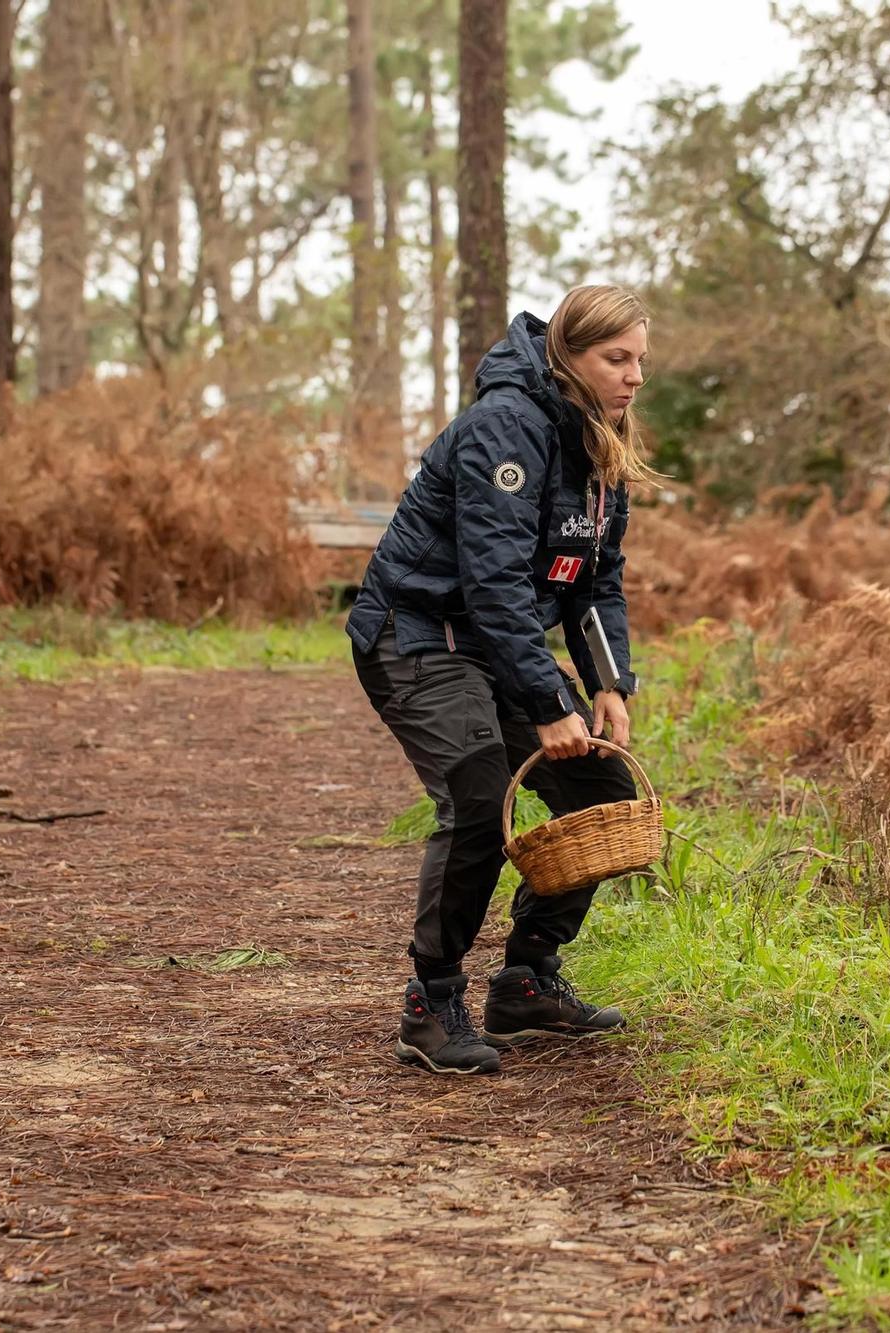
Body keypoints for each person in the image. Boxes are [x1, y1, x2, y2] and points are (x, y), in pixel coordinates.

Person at [346, 284, 656, 1076]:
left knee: (602, 793)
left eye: (640, 361)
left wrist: (608, 685)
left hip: (491, 640)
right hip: (414, 633)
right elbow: (492, 583)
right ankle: (432, 998)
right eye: (616, 359)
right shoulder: (505, 427)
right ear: (568, 355)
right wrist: (550, 701)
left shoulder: (597, 444)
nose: (634, 378)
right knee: (482, 793)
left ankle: (526, 981)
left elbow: (593, 581)